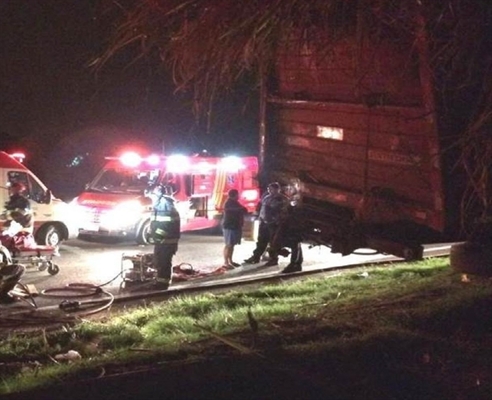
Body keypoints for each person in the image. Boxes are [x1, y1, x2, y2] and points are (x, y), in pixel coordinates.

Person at [244, 182, 289, 267]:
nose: (270, 190)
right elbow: (262, 208)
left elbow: (280, 211)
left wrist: (276, 221)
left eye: (272, 189)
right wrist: (259, 217)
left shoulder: (281, 199)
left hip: (274, 224)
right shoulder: (266, 197)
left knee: (273, 242)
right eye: (269, 189)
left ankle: (273, 259)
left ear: (277, 189)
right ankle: (256, 256)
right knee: (261, 240)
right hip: (264, 222)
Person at [148, 184, 181, 290]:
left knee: (164, 262)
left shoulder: (164, 205)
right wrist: (151, 232)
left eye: (152, 194)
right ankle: (160, 281)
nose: (151, 197)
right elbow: (157, 221)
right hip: (163, 240)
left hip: (166, 240)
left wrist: (157, 236)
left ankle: (163, 284)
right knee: (160, 261)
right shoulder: (160, 204)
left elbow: (166, 224)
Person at [269, 205, 304, 273]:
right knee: (295, 246)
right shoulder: (287, 218)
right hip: (287, 234)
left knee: (295, 246)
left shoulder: (290, 218)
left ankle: (294, 264)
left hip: (290, 234)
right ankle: (296, 264)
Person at [221, 189, 248, 269]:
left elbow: (244, 210)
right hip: (230, 226)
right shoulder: (229, 203)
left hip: (234, 226)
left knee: (232, 245)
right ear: (234, 195)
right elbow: (242, 210)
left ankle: (230, 260)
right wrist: (240, 209)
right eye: (237, 195)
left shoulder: (235, 203)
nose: (238, 196)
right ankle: (226, 262)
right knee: (229, 245)